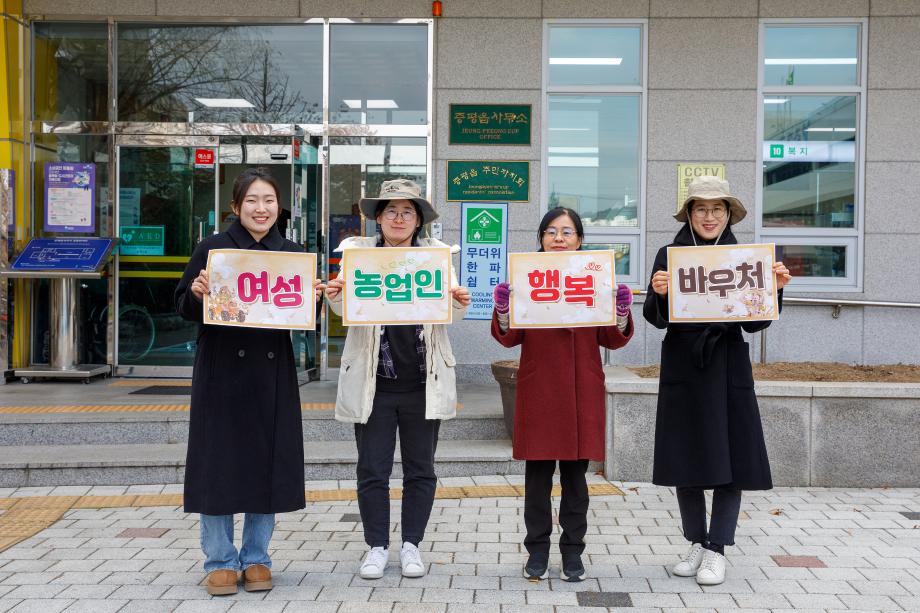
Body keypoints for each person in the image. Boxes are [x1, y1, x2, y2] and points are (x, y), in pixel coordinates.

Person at [175, 167, 324, 596]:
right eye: (253, 201)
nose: (262, 209)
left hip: (270, 376)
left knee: (266, 464)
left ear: (280, 208)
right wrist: (197, 293)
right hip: (221, 373)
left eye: (269, 201)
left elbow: (301, 321)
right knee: (217, 465)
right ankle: (219, 560)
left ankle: (257, 557)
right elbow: (182, 305)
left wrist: (312, 300)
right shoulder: (213, 249)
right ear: (236, 207)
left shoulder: (292, 254)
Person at [643, 176, 792, 586]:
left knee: (733, 458)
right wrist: (657, 293)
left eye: (717, 209)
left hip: (727, 361)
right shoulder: (669, 254)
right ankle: (696, 540)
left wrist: (775, 291)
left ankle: (717, 548)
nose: (709, 217)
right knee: (684, 454)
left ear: (728, 214)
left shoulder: (745, 257)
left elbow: (756, 321)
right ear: (690, 214)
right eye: (701, 209)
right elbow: (655, 318)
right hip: (683, 364)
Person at [324, 179, 471, 580]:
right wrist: (334, 293)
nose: (399, 218)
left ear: (419, 219)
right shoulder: (358, 257)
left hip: (424, 383)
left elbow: (448, 317)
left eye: (408, 211)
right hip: (374, 385)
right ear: (378, 218)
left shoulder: (437, 258)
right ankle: (376, 546)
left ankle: (411, 546)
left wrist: (458, 302)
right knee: (372, 469)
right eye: (391, 210)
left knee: (420, 469)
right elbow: (342, 310)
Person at [490, 206, 635, 582]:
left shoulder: (594, 278)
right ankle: (536, 552)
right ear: (540, 238)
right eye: (551, 232)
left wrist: (620, 312)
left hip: (581, 393)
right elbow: (509, 337)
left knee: (577, 481)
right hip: (540, 392)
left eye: (567, 232)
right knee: (537, 481)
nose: (559, 238)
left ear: (580, 239)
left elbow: (612, 339)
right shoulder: (526, 278)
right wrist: (504, 310)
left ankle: (573, 553)